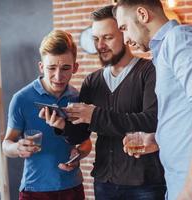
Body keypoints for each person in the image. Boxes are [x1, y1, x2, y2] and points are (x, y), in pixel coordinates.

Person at [113, 1, 192, 200]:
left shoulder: (181, 39)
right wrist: (158, 138)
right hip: (186, 185)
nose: (125, 39)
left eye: (124, 28)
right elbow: (187, 113)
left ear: (142, 14)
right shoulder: (166, 49)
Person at [46, 5, 166, 200]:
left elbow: (151, 121)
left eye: (107, 37)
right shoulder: (92, 81)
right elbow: (82, 133)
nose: (100, 45)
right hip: (104, 183)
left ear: (124, 33)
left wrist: (95, 115)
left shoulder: (149, 71)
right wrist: (62, 125)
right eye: (96, 39)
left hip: (145, 184)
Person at [2, 30, 91, 200]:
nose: (58, 76)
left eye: (65, 68)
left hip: (72, 188)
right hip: (34, 190)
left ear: (75, 68)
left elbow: (86, 143)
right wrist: (17, 147)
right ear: (41, 67)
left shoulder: (78, 98)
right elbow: (6, 145)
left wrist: (79, 154)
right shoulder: (21, 99)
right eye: (51, 68)